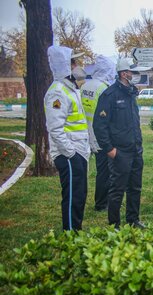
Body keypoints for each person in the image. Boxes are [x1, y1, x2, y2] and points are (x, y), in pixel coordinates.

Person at [93, 57, 150, 229]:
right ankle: (114, 225)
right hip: (120, 152)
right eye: (133, 72)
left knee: (135, 188)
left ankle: (133, 220)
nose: (135, 75)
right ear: (124, 73)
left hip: (135, 149)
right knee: (117, 190)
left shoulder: (131, 93)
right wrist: (109, 149)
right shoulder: (109, 95)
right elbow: (99, 125)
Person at [44, 45, 89, 231]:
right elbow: (55, 129)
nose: (77, 65)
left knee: (80, 194)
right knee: (72, 195)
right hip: (69, 154)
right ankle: (70, 235)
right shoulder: (57, 92)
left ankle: (76, 231)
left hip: (79, 151)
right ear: (65, 65)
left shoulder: (71, 89)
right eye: (73, 62)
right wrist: (71, 153)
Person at [81, 55, 116, 212]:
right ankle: (101, 203)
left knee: (84, 171)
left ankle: (83, 200)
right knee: (104, 172)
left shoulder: (85, 86)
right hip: (100, 137)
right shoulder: (104, 89)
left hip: (84, 135)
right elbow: (107, 116)